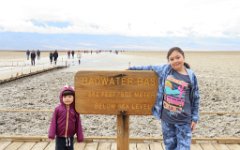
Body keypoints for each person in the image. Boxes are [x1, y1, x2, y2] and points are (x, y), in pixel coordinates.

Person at [129, 47, 200, 150]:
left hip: (184, 120)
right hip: (167, 120)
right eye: (172, 59)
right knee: (170, 147)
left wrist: (194, 118)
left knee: (184, 147)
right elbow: (149, 67)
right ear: (168, 61)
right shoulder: (165, 70)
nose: (175, 61)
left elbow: (196, 98)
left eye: (178, 57)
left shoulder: (191, 75)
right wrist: (131, 69)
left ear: (183, 58)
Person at [48, 85, 84, 150]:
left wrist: (80, 137)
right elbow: (53, 123)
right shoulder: (58, 109)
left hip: (70, 137)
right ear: (61, 98)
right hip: (59, 137)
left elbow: (78, 124)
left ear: (74, 97)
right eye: (65, 97)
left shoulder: (75, 109)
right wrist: (51, 135)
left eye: (70, 97)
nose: (67, 99)